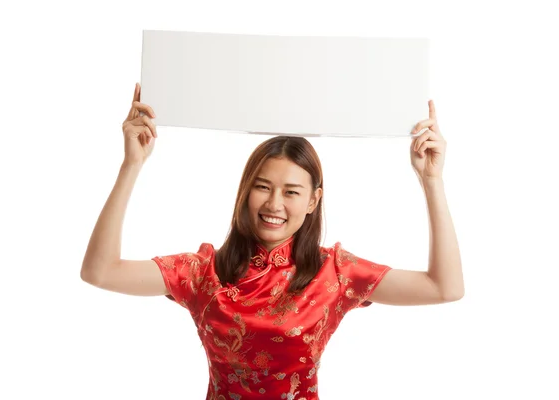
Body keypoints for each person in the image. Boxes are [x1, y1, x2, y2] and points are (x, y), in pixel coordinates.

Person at [81, 83, 464, 399]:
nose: (274, 204)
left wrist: (431, 181)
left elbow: (444, 288)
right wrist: (131, 164)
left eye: (292, 192)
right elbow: (100, 272)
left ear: (314, 200)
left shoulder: (335, 273)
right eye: (263, 187)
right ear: (245, 190)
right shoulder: (202, 272)